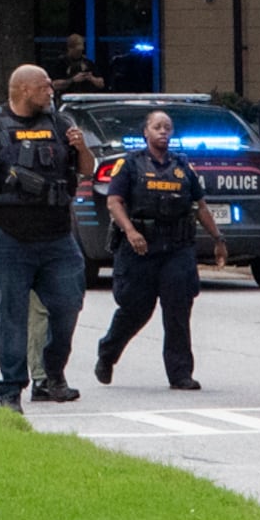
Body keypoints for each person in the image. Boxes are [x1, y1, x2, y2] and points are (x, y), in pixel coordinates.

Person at [0, 62, 98, 409]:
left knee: (68, 304)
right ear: (23, 90)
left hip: (57, 237)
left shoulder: (61, 123)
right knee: (12, 312)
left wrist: (81, 149)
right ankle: (10, 389)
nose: (51, 91)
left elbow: (87, 170)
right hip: (7, 236)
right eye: (44, 86)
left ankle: (50, 373)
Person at [93, 107, 222, 389]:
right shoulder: (129, 164)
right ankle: (108, 352)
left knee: (178, 309)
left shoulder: (182, 166)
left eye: (168, 127)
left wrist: (217, 239)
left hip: (176, 246)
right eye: (157, 127)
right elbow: (114, 201)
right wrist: (130, 231)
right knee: (136, 309)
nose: (163, 131)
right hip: (140, 247)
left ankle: (180, 374)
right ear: (146, 132)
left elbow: (199, 206)